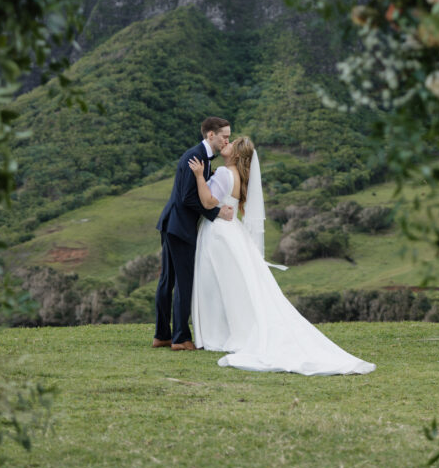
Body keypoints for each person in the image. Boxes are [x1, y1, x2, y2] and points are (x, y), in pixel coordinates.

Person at [188, 136, 376, 376]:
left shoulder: (225, 174)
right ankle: (223, 333)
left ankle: (217, 335)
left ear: (236, 155)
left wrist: (198, 176)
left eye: (232, 143)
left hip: (219, 234)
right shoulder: (238, 176)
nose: (227, 143)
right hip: (232, 232)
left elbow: (207, 201)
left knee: (216, 285)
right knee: (232, 286)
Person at [153, 117, 234, 351]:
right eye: (224, 136)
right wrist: (216, 212)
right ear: (211, 135)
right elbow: (188, 197)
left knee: (167, 280)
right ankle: (179, 338)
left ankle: (162, 335)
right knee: (182, 282)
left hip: (173, 224)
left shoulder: (202, 157)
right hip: (180, 227)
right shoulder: (195, 157)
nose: (226, 140)